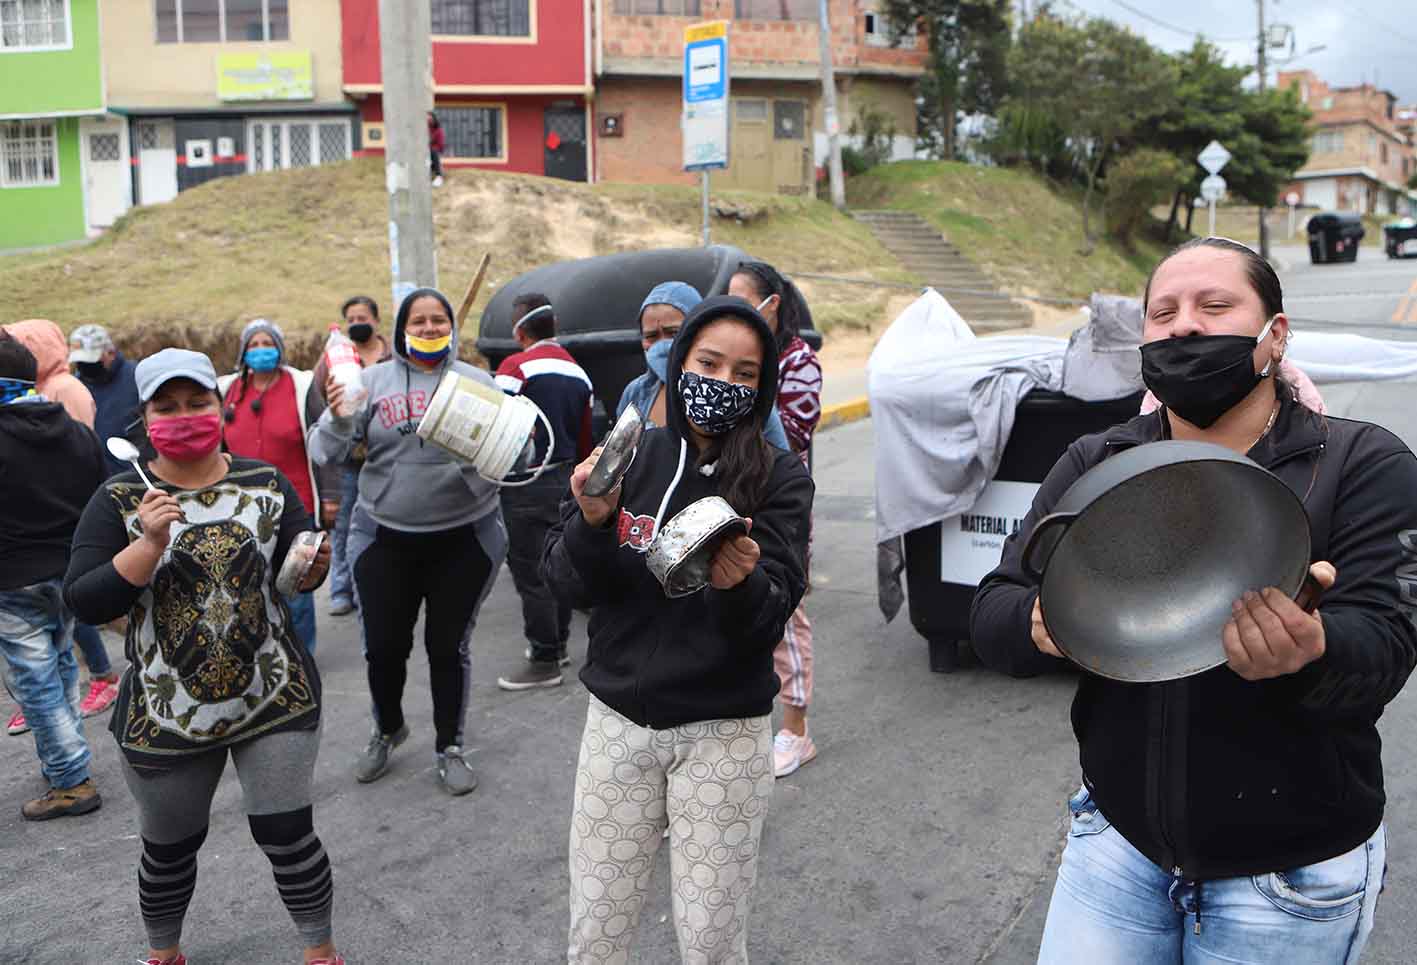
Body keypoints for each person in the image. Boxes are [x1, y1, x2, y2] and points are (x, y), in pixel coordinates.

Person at [970, 237, 1417, 963]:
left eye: (1214, 306)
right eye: (1162, 312)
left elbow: (1387, 643)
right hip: (1114, 843)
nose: (1183, 325)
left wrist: (1312, 649)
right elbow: (993, 605)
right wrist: (1040, 623)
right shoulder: (1096, 461)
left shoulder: (1363, 463)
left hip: (1289, 875)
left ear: (1273, 334)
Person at [544, 295, 814, 963]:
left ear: (762, 387)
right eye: (707, 362)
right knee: (596, 933)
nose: (722, 383)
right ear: (678, 364)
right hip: (618, 724)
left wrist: (739, 582)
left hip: (722, 736)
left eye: (744, 373)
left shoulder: (779, 479)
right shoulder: (629, 453)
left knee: (711, 943)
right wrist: (593, 522)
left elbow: (768, 617)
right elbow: (567, 583)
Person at [63, 348, 343, 965]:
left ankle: (320, 952)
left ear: (220, 407)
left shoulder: (265, 482)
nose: (184, 415)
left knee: (288, 835)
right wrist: (149, 542)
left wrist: (312, 567)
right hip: (165, 714)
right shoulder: (118, 499)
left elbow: (293, 573)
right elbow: (83, 599)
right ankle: (164, 953)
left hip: (273, 696)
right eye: (168, 406)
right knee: (169, 848)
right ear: (144, 418)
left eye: (197, 403)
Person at [309, 287, 507, 795]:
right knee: (383, 649)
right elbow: (323, 452)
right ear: (399, 330)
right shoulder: (368, 382)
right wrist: (337, 419)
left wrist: (490, 445)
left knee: (447, 648)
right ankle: (387, 728)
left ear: (452, 327)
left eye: (438, 319)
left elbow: (512, 460)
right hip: (384, 539)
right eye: (417, 321)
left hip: (463, 540)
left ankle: (450, 746)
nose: (427, 328)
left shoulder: (477, 382)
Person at [0, 336, 107, 820]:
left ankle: (70, 780)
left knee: (36, 680)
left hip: (13, 582)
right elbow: (96, 495)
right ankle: (68, 761)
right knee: (62, 663)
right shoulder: (73, 430)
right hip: (68, 571)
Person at [729, 260, 823, 778]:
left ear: (772, 304)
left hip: (780, 512)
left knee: (787, 619)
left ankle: (796, 730)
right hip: (733, 506)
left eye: (745, 302)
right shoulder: (744, 358)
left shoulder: (797, 363)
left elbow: (790, 436)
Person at [493, 293, 594, 691]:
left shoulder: (515, 367)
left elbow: (494, 426)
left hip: (525, 483)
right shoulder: (579, 373)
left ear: (519, 329)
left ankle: (544, 657)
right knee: (557, 563)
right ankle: (560, 644)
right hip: (564, 480)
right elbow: (586, 439)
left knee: (529, 571)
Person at [219, 319, 335, 656]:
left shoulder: (301, 386)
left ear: (280, 349)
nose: (260, 351)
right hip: (239, 506)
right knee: (248, 582)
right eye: (252, 345)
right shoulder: (226, 390)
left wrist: (330, 496)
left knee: (295, 582)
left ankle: (301, 657)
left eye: (266, 343)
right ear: (243, 352)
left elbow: (323, 442)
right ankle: (264, 652)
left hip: (295, 504)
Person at [617, 281, 793, 452]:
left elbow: (778, 463)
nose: (662, 345)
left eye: (673, 333)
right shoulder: (637, 393)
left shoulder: (740, 400)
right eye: (651, 336)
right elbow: (617, 455)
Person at [68, 323, 141, 717]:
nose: (86, 369)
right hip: (98, 499)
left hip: (140, 490)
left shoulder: (135, 379)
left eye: (92, 362)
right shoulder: (79, 386)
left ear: (110, 353)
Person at [311, 296, 393, 617]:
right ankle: (341, 588)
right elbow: (320, 397)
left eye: (363, 316)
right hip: (350, 459)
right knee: (344, 525)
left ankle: (375, 586)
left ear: (375, 320)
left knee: (385, 524)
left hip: (386, 455)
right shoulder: (336, 356)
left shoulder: (391, 356)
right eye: (351, 318)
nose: (357, 322)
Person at [3, 319, 97, 428]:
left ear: (37, 348)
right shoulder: (33, 386)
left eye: (18, 347)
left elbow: (77, 440)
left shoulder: (66, 389)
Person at [428, 111, 445, 187]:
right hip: (425, 153)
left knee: (433, 151)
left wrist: (431, 148)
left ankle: (439, 176)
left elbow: (440, 145)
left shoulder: (438, 130)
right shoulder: (424, 130)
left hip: (434, 152)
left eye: (430, 119)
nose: (428, 120)